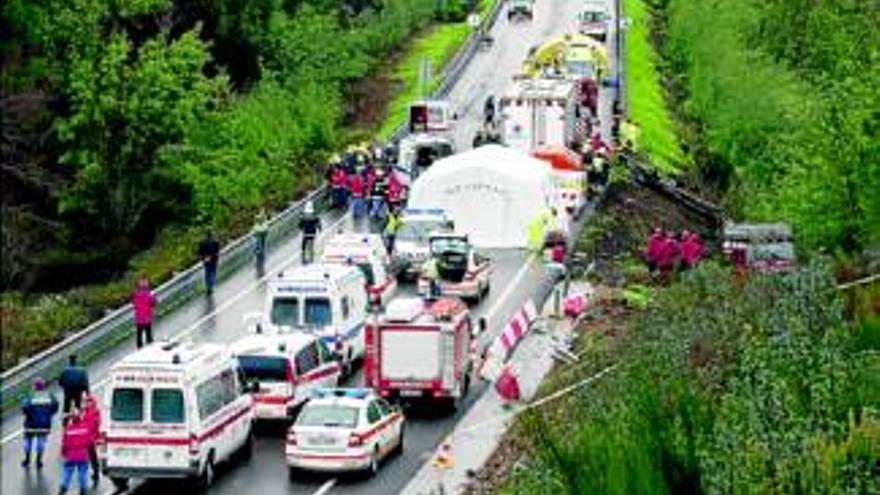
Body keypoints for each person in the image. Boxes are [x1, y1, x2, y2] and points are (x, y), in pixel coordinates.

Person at [21, 378, 59, 469]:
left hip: (30, 424)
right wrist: (48, 414)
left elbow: (24, 407)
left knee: (28, 441)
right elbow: (55, 406)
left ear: (35, 386)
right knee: (41, 441)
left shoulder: (30, 396)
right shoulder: (50, 396)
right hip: (44, 424)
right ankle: (39, 460)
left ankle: (27, 459)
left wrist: (29, 415)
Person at [59, 408, 91, 495]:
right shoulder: (85, 427)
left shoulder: (68, 429)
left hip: (71, 455)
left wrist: (64, 453)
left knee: (67, 472)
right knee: (82, 472)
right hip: (82, 454)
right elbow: (88, 442)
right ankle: (83, 490)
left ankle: (63, 489)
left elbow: (64, 443)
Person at [131, 278, 156, 348]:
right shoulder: (149, 294)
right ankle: (150, 345)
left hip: (139, 318)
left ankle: (140, 347)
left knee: (139, 334)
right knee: (148, 332)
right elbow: (153, 302)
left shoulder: (135, 294)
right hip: (147, 317)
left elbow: (133, 302)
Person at [83, 393, 101, 484]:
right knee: (92, 457)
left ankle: (94, 473)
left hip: (88, 438)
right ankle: (95, 473)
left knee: (89, 457)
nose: (86, 404)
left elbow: (91, 426)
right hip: (90, 438)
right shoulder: (90, 411)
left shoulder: (92, 412)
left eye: (87, 402)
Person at [198, 231, 220, 295]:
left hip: (206, 259)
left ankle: (208, 286)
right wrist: (213, 257)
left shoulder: (202, 243)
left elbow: (200, 252)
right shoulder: (215, 242)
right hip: (213, 259)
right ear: (211, 236)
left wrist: (203, 257)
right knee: (212, 271)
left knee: (207, 272)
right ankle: (211, 284)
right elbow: (217, 251)